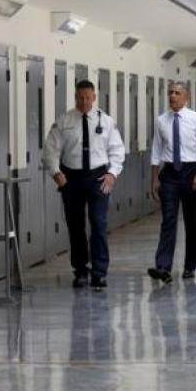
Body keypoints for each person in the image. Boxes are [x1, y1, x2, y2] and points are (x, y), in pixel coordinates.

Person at [43, 80, 125, 289]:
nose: (84, 101)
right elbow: (50, 151)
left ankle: (99, 272)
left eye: (88, 97)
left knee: (99, 223)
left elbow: (117, 150)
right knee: (75, 225)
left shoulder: (106, 121)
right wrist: (56, 173)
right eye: (80, 97)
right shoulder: (64, 121)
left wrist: (112, 174)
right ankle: (80, 270)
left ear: (94, 97)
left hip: (98, 178)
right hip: (72, 179)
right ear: (75, 96)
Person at [147, 82, 196, 283]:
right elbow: (157, 150)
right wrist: (154, 179)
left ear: (186, 97)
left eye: (177, 93)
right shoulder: (161, 121)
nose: (172, 96)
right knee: (168, 221)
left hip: (191, 171)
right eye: (170, 93)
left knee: (192, 222)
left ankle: (189, 266)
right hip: (169, 176)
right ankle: (163, 267)